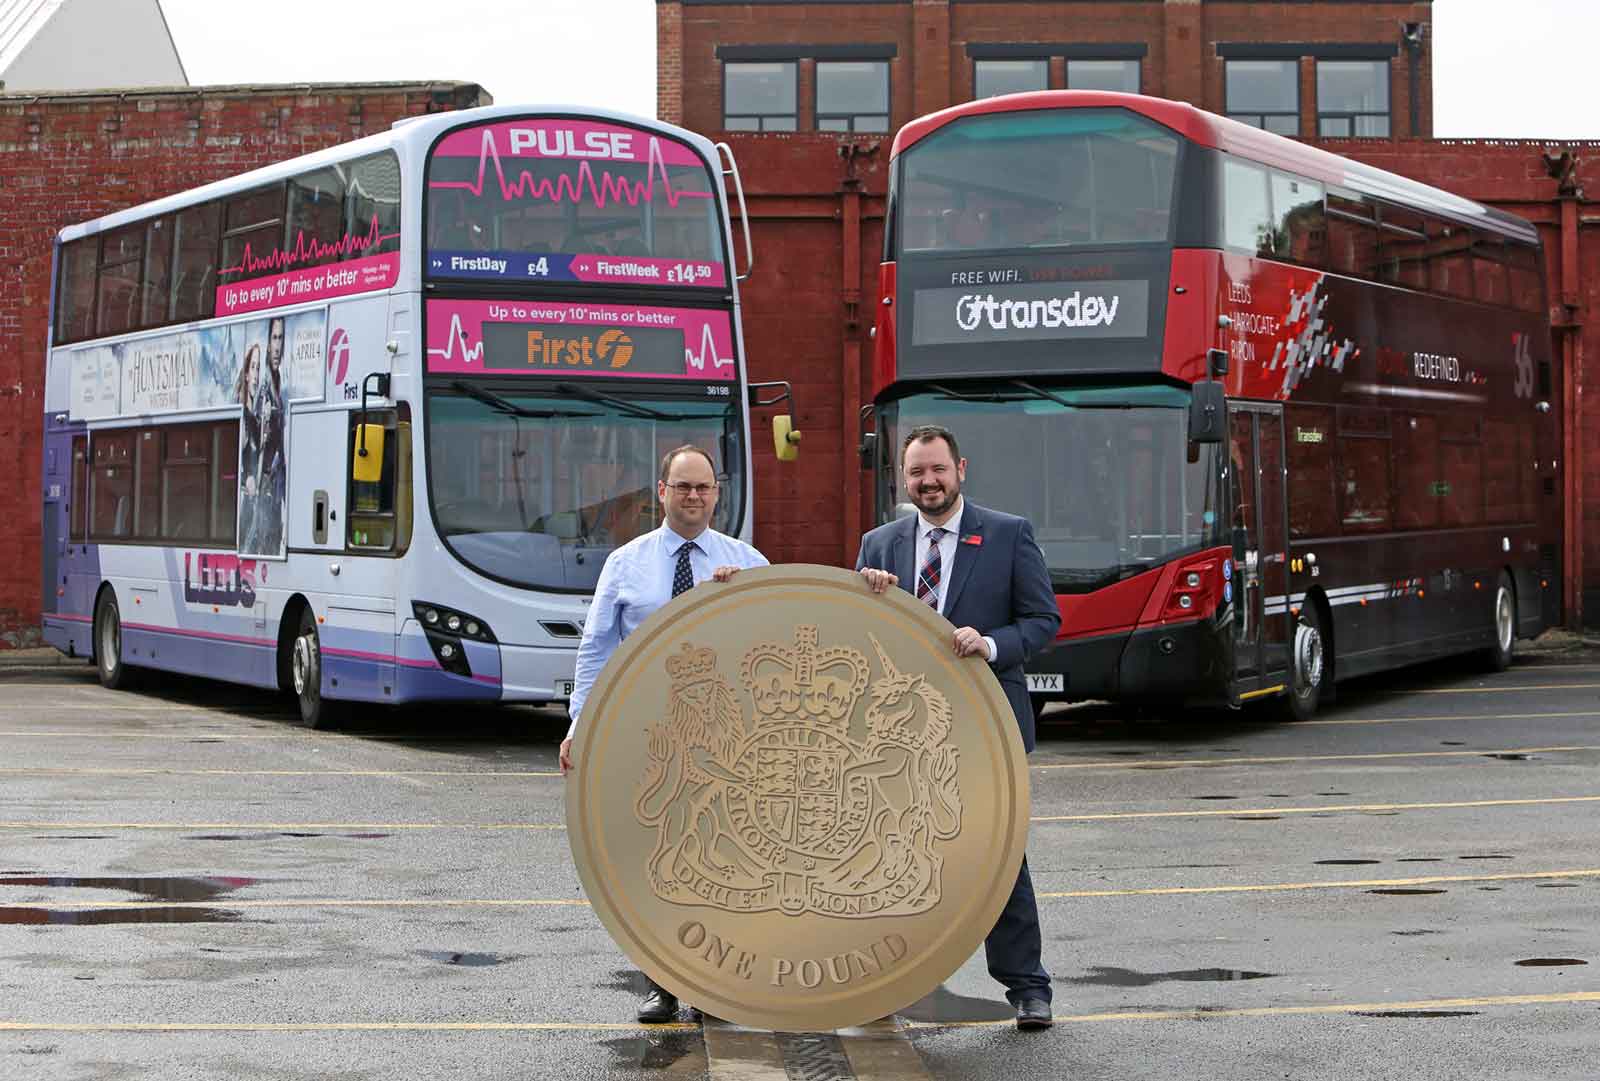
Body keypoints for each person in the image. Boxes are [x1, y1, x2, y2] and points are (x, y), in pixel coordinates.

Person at [854, 424, 1061, 1032]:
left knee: (999, 857)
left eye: (937, 470)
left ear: (960, 469)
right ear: (903, 478)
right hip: (901, 740)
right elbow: (859, 638)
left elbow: (1043, 621)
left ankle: (1027, 987)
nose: (928, 482)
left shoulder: (1007, 534)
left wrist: (993, 644)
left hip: (986, 728)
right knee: (893, 850)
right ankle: (893, 981)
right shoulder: (879, 544)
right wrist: (869, 597)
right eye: (916, 473)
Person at [560, 444, 767, 1023]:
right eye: (682, 487)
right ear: (662, 492)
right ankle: (663, 983)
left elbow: (765, 644)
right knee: (655, 859)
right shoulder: (625, 564)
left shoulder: (747, 562)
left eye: (703, 487)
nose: (693, 497)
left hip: (726, 740)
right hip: (648, 739)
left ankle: (714, 985)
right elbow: (596, 651)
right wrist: (580, 725)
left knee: (723, 853)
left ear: (717, 494)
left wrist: (738, 600)